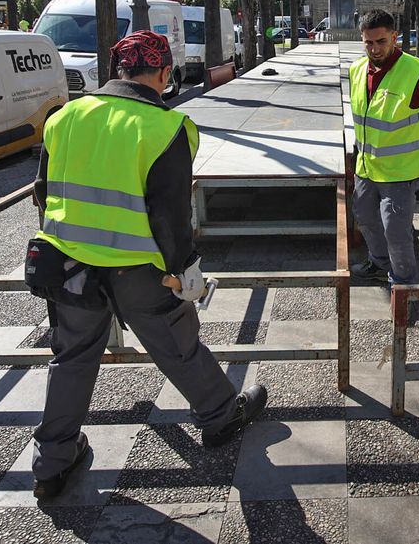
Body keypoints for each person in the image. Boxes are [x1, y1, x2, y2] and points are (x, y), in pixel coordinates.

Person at [28, 30, 267, 499]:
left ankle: (51, 464)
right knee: (177, 345)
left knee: (71, 358)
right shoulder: (165, 127)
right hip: (138, 269)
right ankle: (221, 417)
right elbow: (170, 215)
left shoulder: (64, 116)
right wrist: (185, 269)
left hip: (68, 263)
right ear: (164, 73)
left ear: (117, 69)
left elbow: (43, 191)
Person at [349, 9, 419, 286]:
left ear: (394, 37)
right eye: (368, 42)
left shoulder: (415, 73)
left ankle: (403, 283)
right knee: (364, 217)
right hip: (367, 165)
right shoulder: (357, 70)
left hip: (401, 170)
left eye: (381, 41)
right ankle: (379, 263)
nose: (375, 49)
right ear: (362, 39)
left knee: (396, 231)